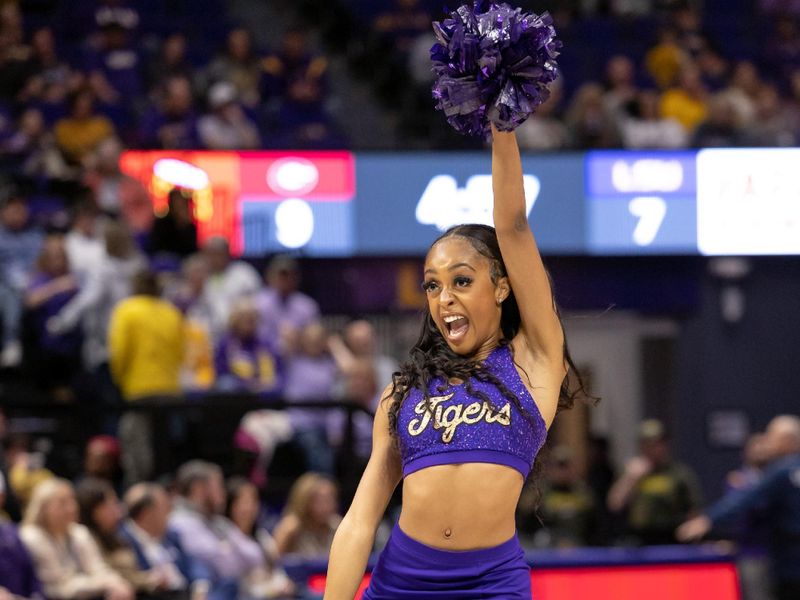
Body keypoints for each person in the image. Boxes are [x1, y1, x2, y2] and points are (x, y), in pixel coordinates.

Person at [324, 124, 582, 598]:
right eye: (432, 285)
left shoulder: (535, 360)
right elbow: (360, 520)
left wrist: (502, 128)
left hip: (492, 583)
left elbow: (513, 226)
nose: (444, 298)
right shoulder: (403, 392)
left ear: (501, 287)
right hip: (402, 579)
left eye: (461, 281)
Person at [677, 415, 800, 600]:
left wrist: (707, 520)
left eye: (770, 437)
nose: (767, 443)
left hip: (786, 563)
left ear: (785, 440)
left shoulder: (782, 471)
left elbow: (745, 501)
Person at [19, 478, 134, 600]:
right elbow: (60, 587)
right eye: (62, 503)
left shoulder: (79, 532)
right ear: (43, 508)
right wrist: (105, 585)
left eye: (72, 500)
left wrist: (117, 584)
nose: (71, 508)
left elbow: (98, 568)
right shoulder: (32, 537)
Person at [607, 418, 702, 545]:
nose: (653, 449)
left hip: (671, 536)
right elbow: (615, 504)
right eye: (648, 444)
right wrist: (631, 479)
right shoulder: (631, 473)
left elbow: (693, 509)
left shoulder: (679, 473)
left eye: (658, 443)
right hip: (639, 539)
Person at [120, 483, 208, 600]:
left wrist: (200, 587)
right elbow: (131, 577)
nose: (169, 514)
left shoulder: (171, 535)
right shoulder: (122, 540)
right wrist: (152, 580)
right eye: (165, 508)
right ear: (146, 513)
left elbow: (194, 565)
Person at [225, 478, 295, 599]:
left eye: (253, 501)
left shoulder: (262, 535)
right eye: (243, 502)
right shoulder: (225, 536)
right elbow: (237, 582)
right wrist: (270, 590)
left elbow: (276, 568)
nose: (249, 507)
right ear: (230, 505)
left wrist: (283, 584)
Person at [273, 472, 341, 558]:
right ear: (304, 501)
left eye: (330, 499)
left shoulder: (337, 527)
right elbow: (273, 563)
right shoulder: (290, 528)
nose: (325, 506)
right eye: (319, 500)